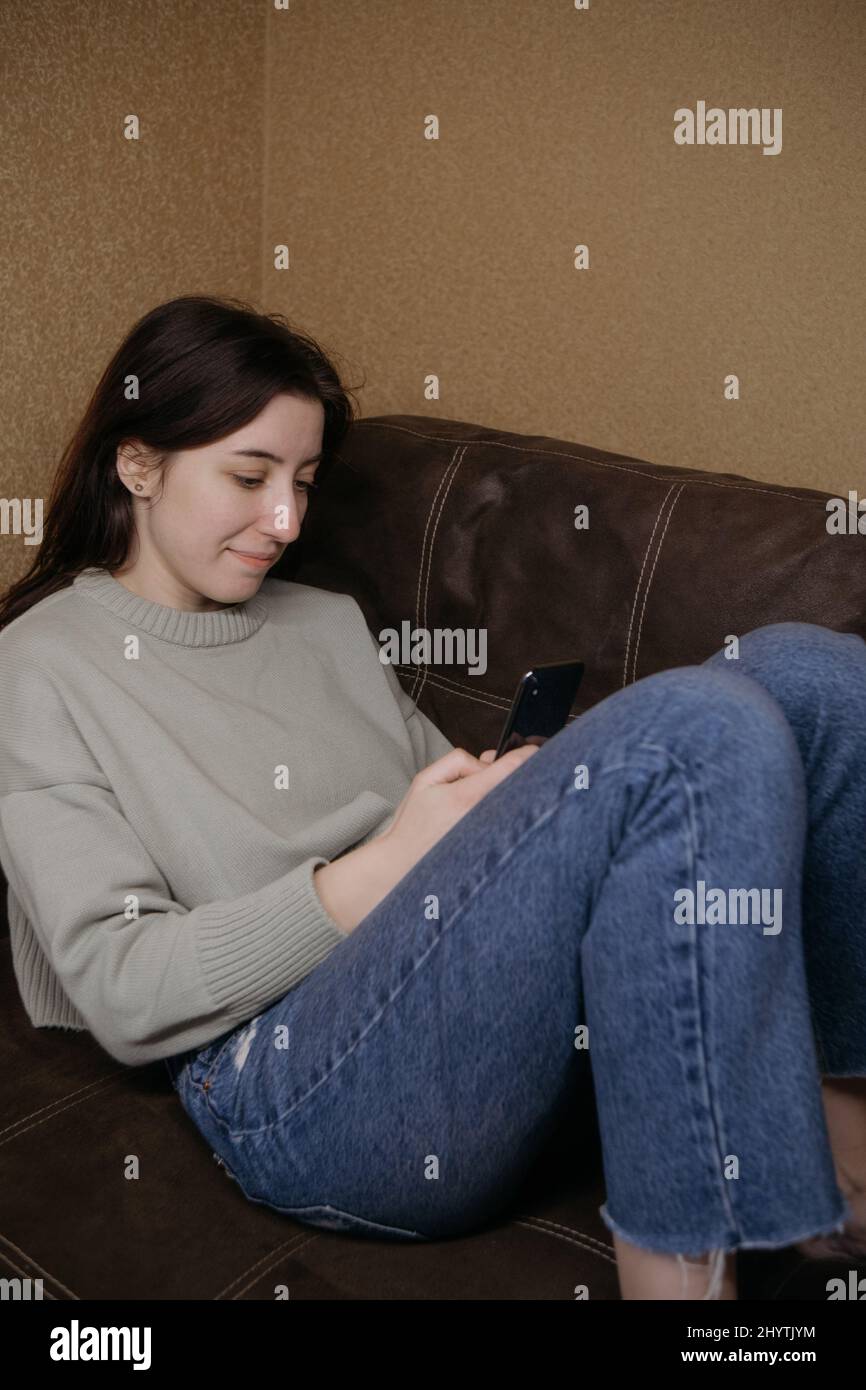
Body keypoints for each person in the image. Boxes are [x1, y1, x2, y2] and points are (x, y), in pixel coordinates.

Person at [1, 295, 864, 1302]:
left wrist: (518, 791)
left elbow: (444, 821)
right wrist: (379, 867)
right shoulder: (39, 665)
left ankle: (838, 1154)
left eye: (304, 483)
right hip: (285, 1077)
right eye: (248, 476)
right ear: (137, 461)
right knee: (702, 725)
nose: (284, 521)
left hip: (453, 991)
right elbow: (121, 988)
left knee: (811, 672)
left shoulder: (322, 620)